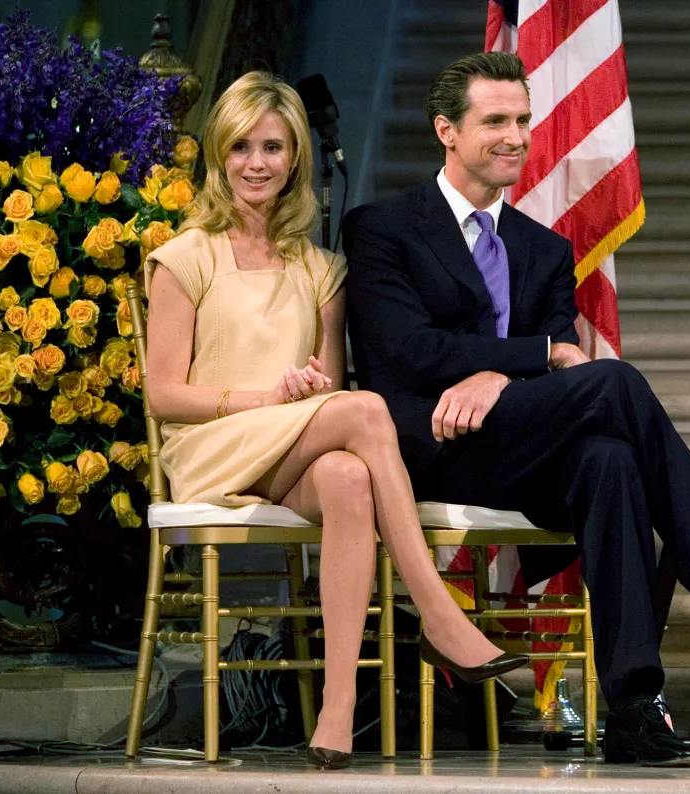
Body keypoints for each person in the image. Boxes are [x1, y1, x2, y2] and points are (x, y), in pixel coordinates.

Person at [342, 52, 690, 767]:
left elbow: (554, 369)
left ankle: (634, 707)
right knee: (613, 384)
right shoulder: (383, 227)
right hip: (425, 449)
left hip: (517, 450)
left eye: (523, 120)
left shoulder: (545, 250)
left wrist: (498, 375)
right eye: (495, 121)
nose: (516, 136)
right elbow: (410, 351)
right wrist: (535, 355)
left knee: (610, 460)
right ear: (446, 129)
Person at [143, 71, 527, 770]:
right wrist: (262, 398)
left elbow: (329, 389)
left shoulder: (322, 269)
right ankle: (438, 612)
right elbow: (164, 395)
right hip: (212, 445)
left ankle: (338, 705)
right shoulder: (184, 256)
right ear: (218, 154)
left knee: (350, 475)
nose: (256, 163)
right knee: (366, 411)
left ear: (296, 156)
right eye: (240, 147)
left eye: (272, 147)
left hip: (291, 447)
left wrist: (302, 393)